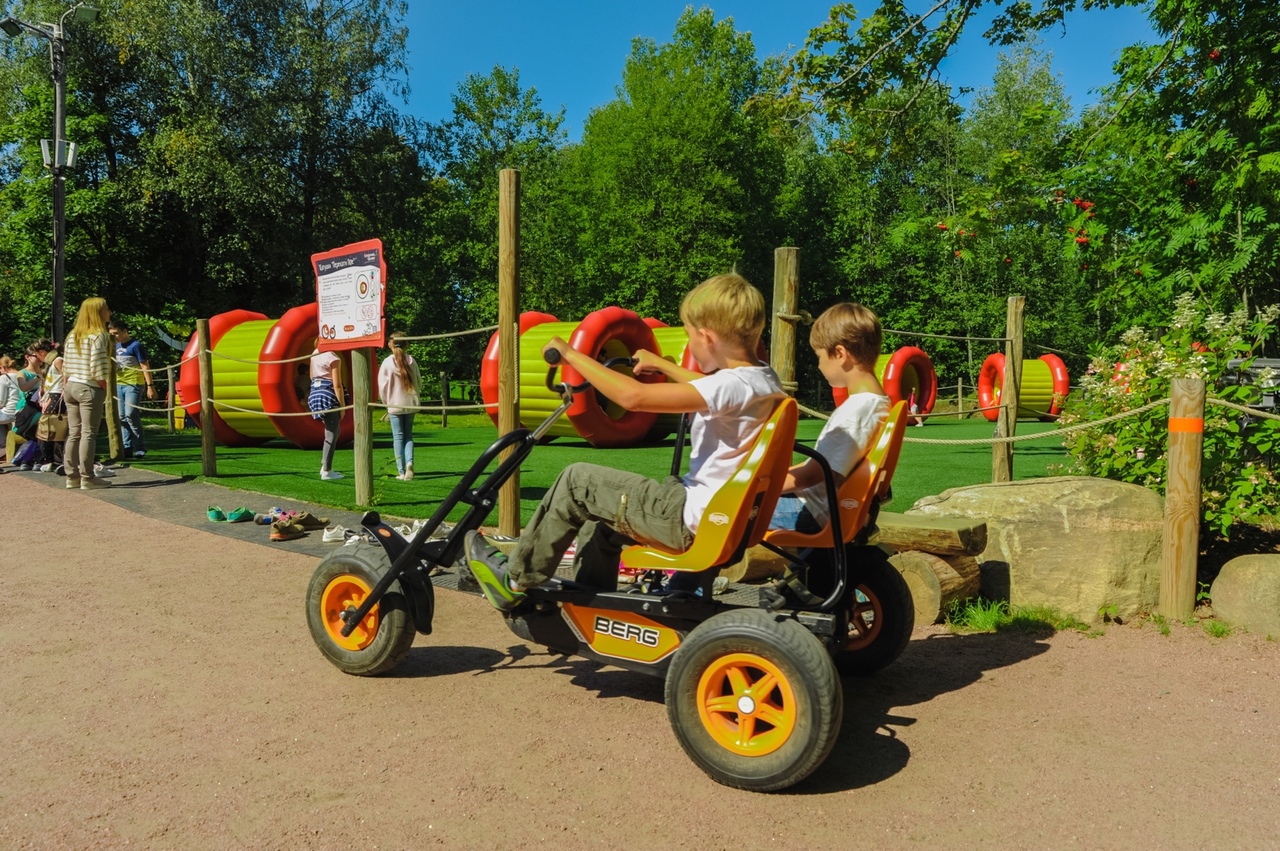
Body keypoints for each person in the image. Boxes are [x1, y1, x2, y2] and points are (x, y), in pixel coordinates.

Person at [465, 273, 785, 610]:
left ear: (706, 337)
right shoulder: (762, 379)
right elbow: (717, 389)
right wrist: (662, 364)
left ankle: (516, 580)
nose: (689, 345)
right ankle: (592, 606)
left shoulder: (728, 386)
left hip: (689, 520)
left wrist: (571, 354)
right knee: (600, 520)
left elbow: (632, 397)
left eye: (690, 337)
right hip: (723, 518)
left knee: (578, 481)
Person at [768, 303, 890, 534]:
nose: (818, 364)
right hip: (826, 506)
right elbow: (821, 466)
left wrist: (756, 487)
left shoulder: (857, 410)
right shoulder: (879, 405)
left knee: (714, 508)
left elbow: (814, 474)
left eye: (819, 356)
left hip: (811, 511)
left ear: (841, 354)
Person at [63, 297, 114, 489]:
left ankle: (72, 476)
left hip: (71, 386)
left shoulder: (73, 334)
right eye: (106, 309)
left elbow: (66, 366)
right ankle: (88, 477)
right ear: (97, 313)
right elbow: (98, 367)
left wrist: (66, 385)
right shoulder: (98, 336)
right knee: (88, 433)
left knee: (74, 433)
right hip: (89, 386)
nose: (109, 312)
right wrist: (104, 386)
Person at [108, 318, 156, 458]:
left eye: (116, 333)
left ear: (124, 331)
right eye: (111, 333)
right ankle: (127, 447)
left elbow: (144, 365)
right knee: (121, 417)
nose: (114, 336)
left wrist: (150, 386)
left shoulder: (135, 345)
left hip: (133, 383)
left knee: (131, 413)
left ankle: (140, 446)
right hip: (118, 383)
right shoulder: (113, 346)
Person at [378, 334, 421, 480]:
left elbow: (382, 387)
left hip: (394, 403)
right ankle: (410, 462)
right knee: (408, 435)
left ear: (391, 344)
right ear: (406, 345)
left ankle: (401, 471)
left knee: (398, 437)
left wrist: (386, 404)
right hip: (410, 403)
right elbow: (418, 381)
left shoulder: (387, 362)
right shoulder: (411, 361)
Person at [308, 347, 346, 481]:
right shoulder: (332, 357)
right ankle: (327, 470)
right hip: (328, 395)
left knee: (334, 431)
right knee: (331, 433)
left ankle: (324, 464)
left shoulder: (315, 353)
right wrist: (342, 407)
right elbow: (337, 385)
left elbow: (312, 376)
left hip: (314, 394)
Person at [38, 347, 67, 473]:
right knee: (48, 428)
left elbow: (65, 375)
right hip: (52, 395)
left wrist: (65, 390)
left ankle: (58, 459)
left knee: (57, 428)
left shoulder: (58, 360)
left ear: (43, 352)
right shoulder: (50, 364)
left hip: (57, 396)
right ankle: (49, 458)